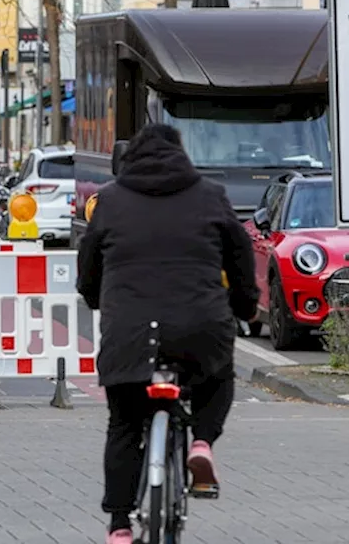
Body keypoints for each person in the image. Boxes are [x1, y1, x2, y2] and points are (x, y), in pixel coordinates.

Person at [78, 124, 259, 544]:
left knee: (123, 423)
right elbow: (241, 256)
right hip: (200, 327)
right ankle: (201, 444)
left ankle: (120, 525)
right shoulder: (211, 196)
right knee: (218, 377)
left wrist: (96, 300)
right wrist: (244, 306)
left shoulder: (109, 201)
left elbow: (89, 268)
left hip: (130, 332)